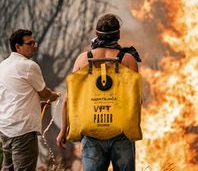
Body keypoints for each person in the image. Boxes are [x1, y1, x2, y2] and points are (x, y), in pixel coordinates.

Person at [56, 14, 142, 171]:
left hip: (91, 131)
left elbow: (69, 100)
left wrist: (63, 130)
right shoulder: (128, 59)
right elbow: (136, 99)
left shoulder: (83, 59)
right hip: (121, 132)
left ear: (97, 34)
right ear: (118, 34)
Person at [0, 29, 60, 171]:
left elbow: (15, 94)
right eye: (30, 43)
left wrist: (36, 104)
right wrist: (54, 96)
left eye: (34, 42)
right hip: (22, 129)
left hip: (5, 127)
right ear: (18, 47)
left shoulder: (2, 66)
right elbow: (44, 93)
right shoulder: (29, 66)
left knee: (8, 168)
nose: (34, 45)